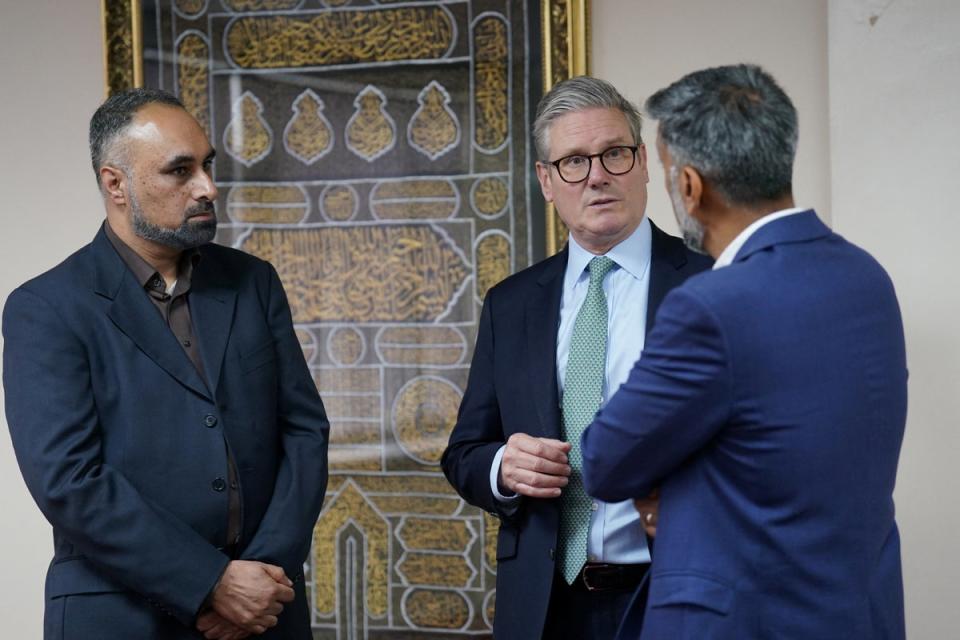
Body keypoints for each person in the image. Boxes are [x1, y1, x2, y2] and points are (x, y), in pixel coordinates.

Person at [581, 64, 907, 639]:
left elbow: (607, 459)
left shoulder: (711, 305)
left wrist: (666, 490)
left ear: (690, 186)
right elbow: (790, 448)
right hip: (856, 616)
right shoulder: (866, 277)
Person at [3, 88, 330, 640]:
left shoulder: (253, 282)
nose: (207, 187)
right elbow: (69, 481)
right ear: (115, 184)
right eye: (180, 171)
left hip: (264, 612)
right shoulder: (47, 307)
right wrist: (211, 583)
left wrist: (261, 578)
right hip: (120, 616)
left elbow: (303, 432)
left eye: (207, 165)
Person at [441, 76, 711, 639]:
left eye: (614, 153)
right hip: (543, 607)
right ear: (546, 180)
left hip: (673, 594)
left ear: (641, 163)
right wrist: (501, 468)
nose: (596, 176)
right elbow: (464, 452)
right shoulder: (509, 304)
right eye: (572, 161)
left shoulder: (712, 285)